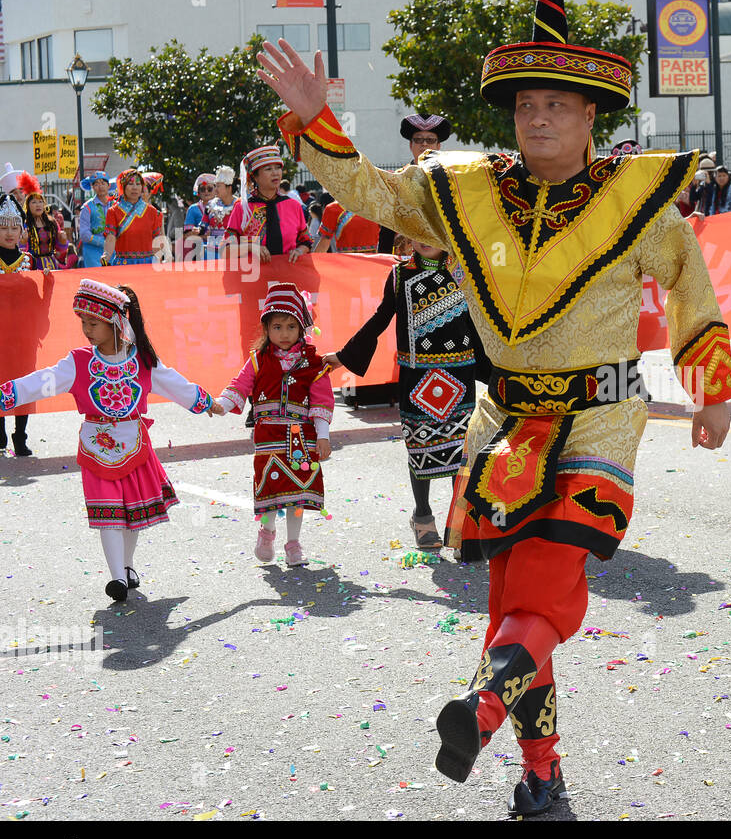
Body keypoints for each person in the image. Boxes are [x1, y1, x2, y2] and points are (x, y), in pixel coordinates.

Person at [258, 0, 731, 817]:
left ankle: (478, 711)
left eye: (556, 103)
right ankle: (542, 775)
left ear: (593, 115)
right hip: (503, 421)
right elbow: (368, 189)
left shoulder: (639, 202)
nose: (538, 116)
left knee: (547, 589)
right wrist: (314, 121)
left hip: (598, 417)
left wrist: (712, 388)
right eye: (525, 104)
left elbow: (693, 289)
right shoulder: (466, 192)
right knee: (515, 613)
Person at [0, 280, 215, 600]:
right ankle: (117, 577)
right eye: (83, 323)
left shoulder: (142, 361)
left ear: (115, 322)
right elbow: (42, 381)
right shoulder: (79, 362)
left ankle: (126, 567)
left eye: (93, 323)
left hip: (133, 441)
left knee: (130, 512)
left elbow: (174, 383)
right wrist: (7, 395)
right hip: (96, 444)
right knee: (109, 511)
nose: (86, 329)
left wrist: (206, 402)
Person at [324, 235, 487, 547]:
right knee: (420, 449)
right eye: (416, 233)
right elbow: (381, 318)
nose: (423, 240)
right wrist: (345, 356)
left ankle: (461, 523)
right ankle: (422, 514)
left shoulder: (466, 270)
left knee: (461, 451)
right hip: (418, 379)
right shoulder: (400, 276)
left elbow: (483, 320)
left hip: (459, 375)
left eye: (430, 231)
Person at [209, 283, 332, 567]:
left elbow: (322, 400)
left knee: (298, 495)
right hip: (268, 438)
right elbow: (239, 387)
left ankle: (293, 544)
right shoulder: (258, 360)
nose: (284, 333)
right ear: (266, 329)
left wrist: (323, 436)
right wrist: (220, 405)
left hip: (303, 438)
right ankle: (267, 531)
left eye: (291, 326)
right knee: (272, 490)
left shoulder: (313, 363)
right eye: (277, 327)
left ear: (302, 328)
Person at [0, 197, 47, 455]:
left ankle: (20, 435)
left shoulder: (29, 260)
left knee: (23, 385)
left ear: (21, 231)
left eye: (13, 227)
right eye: (3, 227)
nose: (9, 233)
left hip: (23, 337)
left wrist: (48, 285)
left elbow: (39, 305)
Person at [378, 114, 453, 254]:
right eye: (418, 139)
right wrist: (383, 257)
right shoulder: (396, 179)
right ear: (411, 145)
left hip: (443, 254)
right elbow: (387, 225)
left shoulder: (450, 180)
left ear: (438, 146)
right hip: (406, 256)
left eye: (430, 140)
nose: (424, 144)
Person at [222, 147, 311, 263]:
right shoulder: (243, 208)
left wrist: (299, 251)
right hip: (252, 277)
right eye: (268, 169)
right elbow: (225, 250)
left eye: (278, 168)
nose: (275, 173)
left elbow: (306, 242)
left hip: (289, 276)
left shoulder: (293, 205)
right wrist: (250, 247)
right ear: (255, 177)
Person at [102, 168, 168, 266]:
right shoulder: (113, 212)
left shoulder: (153, 212)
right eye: (130, 184)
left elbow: (158, 240)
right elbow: (111, 238)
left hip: (148, 264)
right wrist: (106, 255)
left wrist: (159, 259)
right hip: (124, 264)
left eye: (138, 184)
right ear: (123, 186)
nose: (134, 188)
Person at [17, 175, 70, 271]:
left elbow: (60, 252)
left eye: (40, 202)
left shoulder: (52, 222)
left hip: (51, 265)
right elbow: (20, 252)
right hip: (32, 266)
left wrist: (62, 241)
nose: (38, 205)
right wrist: (23, 243)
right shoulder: (24, 224)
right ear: (28, 206)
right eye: (33, 202)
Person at [313, 197, 381, 253]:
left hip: (373, 264)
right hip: (346, 264)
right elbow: (324, 244)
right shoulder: (333, 209)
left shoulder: (377, 206)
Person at [78, 171, 115, 269]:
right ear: (93, 187)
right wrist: (105, 243)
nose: (100, 186)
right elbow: (84, 234)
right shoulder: (87, 207)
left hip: (114, 252)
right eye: (96, 184)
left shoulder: (116, 205)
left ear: (109, 185)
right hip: (93, 253)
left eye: (103, 183)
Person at [184, 173, 218, 260]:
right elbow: (187, 236)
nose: (206, 191)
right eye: (203, 189)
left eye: (209, 189)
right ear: (198, 192)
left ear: (216, 190)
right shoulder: (193, 209)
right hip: (200, 253)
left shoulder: (223, 207)